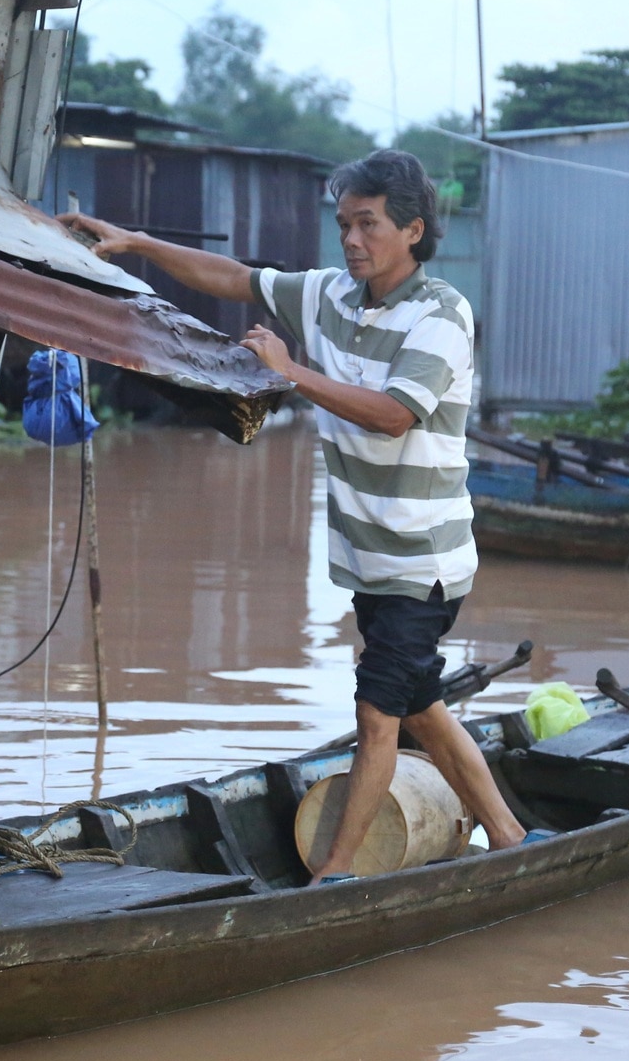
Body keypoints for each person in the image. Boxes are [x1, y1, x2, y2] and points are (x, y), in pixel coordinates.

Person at [58, 149, 527, 880]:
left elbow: (394, 415)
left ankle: (329, 876)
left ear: (412, 229)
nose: (351, 239)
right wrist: (138, 245)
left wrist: (292, 372)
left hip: (421, 561)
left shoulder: (441, 314)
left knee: (377, 717)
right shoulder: (329, 296)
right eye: (343, 224)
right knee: (419, 705)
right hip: (368, 557)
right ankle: (506, 835)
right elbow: (235, 277)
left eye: (368, 224)